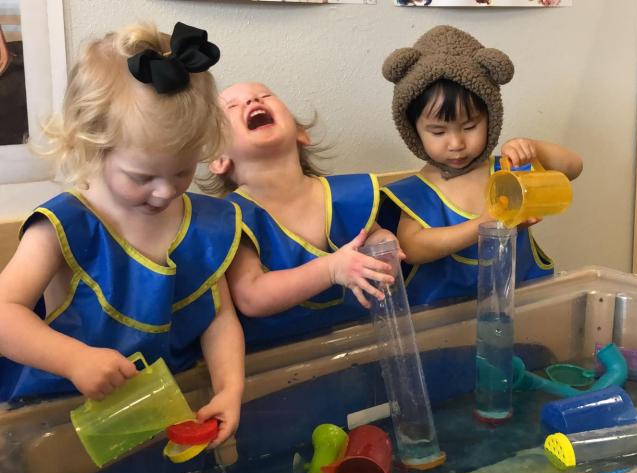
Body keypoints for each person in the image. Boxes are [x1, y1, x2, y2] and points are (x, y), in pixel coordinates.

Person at [0, 22, 244, 447]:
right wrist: (75, 359)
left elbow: (218, 317)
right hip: (57, 423)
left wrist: (229, 389)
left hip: (163, 411)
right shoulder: (65, 226)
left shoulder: (201, 225)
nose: (166, 191)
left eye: (184, 171)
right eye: (143, 175)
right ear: (89, 145)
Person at [379, 25, 582, 307]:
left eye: (470, 126)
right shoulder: (415, 192)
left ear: (491, 119)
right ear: (413, 131)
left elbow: (573, 167)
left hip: (523, 312)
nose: (456, 143)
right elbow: (412, 247)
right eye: (438, 132)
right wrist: (483, 225)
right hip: (443, 328)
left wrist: (535, 149)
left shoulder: (510, 170)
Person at [206, 82, 398, 350]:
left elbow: (373, 234)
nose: (252, 102)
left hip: (361, 341)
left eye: (264, 96)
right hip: (280, 361)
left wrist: (383, 245)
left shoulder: (343, 195)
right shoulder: (234, 217)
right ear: (219, 159)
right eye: (233, 107)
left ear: (301, 133)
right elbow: (251, 296)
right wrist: (332, 269)